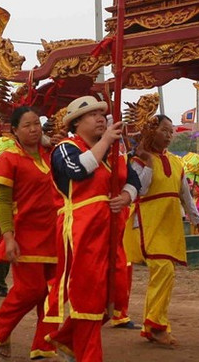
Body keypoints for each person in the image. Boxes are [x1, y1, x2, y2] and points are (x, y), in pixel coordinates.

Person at [46, 95, 141, 362]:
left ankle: (67, 340)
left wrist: (126, 195)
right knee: (88, 296)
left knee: (115, 296)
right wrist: (106, 142)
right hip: (82, 230)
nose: (100, 118)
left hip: (113, 229)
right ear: (76, 123)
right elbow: (77, 170)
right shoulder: (65, 148)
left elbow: (132, 178)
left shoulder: (115, 150)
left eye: (102, 114)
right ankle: (88, 356)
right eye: (92, 115)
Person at [129, 114, 199, 346]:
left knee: (165, 273)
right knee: (163, 269)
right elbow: (141, 189)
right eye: (164, 130)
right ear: (151, 131)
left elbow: (185, 196)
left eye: (171, 131)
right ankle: (156, 325)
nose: (169, 135)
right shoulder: (137, 160)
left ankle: (151, 325)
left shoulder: (177, 162)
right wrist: (146, 159)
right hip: (148, 221)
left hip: (170, 223)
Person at [0, 107, 59, 360]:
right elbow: (3, 202)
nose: (34, 129)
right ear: (15, 131)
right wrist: (8, 237)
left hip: (54, 233)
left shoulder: (51, 156)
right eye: (27, 125)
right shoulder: (9, 158)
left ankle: (44, 345)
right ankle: (1, 325)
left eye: (37, 124)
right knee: (31, 290)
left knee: (53, 293)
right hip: (25, 235)